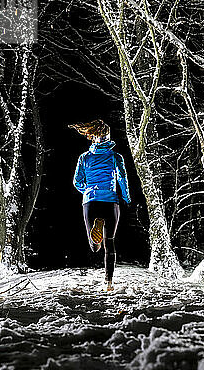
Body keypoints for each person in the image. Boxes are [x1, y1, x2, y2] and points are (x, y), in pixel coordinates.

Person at [70, 119, 131, 291]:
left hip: (91, 201)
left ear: (92, 137)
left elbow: (77, 181)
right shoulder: (115, 157)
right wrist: (126, 197)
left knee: (94, 246)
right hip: (111, 201)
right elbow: (122, 178)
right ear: (108, 137)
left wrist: (89, 191)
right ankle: (108, 282)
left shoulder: (84, 157)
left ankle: (97, 225)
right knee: (109, 243)